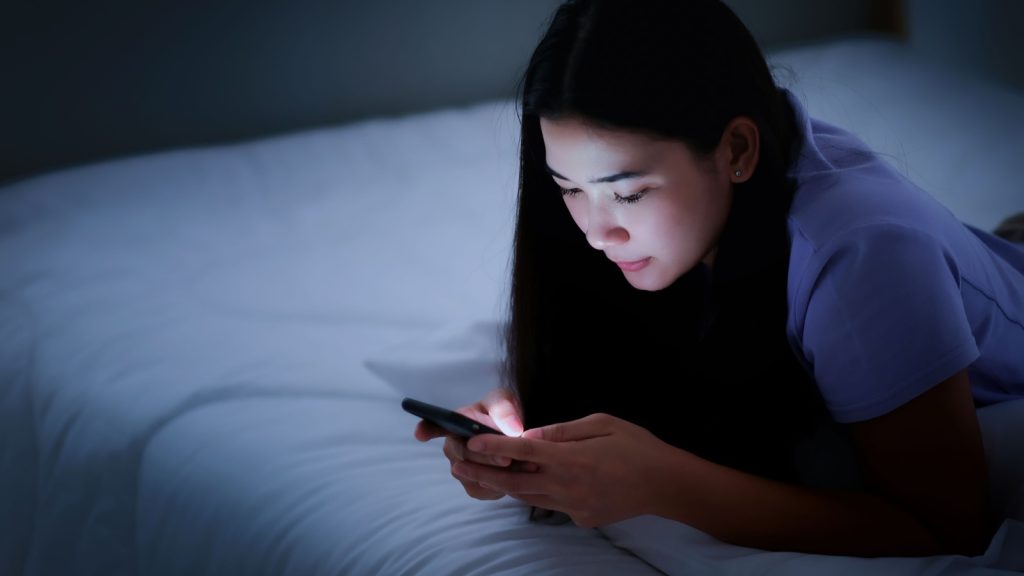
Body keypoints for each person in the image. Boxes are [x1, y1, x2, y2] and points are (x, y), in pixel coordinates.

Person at [413, 0, 1024, 558]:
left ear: (737, 150)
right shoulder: (692, 230)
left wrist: (665, 485)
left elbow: (948, 527)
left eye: (628, 193)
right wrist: (532, 428)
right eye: (569, 188)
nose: (598, 233)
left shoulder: (864, 256)